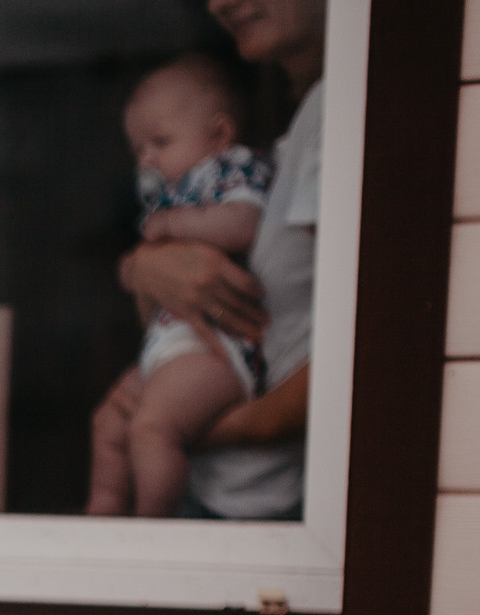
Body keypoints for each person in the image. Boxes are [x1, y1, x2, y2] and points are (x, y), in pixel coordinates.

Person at [107, 0, 327, 521]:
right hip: (221, 486)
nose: (217, 4)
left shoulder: (343, 113)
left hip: (267, 502)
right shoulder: (292, 132)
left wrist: (178, 427)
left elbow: (374, 348)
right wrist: (146, 266)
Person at [87, 56, 271, 517]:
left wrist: (179, 224)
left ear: (220, 134)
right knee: (109, 420)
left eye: (160, 142)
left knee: (152, 430)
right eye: (139, 150)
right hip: (171, 345)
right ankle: (103, 509)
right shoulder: (171, 194)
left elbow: (244, 223)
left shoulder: (232, 169)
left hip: (218, 350)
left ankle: (154, 527)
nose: (147, 158)